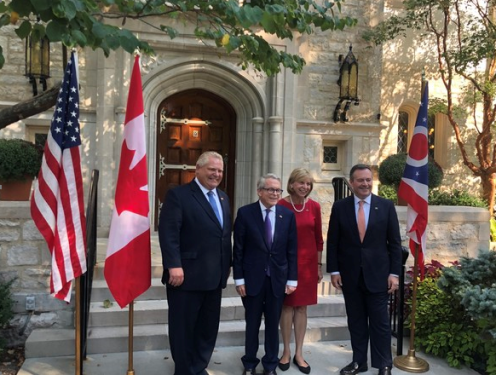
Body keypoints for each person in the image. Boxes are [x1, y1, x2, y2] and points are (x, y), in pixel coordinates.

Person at [158, 151, 232, 375]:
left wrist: (227, 267)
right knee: (183, 329)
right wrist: (174, 264)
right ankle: (184, 370)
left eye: (219, 171)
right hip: (186, 276)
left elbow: (222, 236)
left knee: (207, 328)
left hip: (214, 276)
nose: (216, 174)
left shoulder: (223, 197)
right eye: (212, 169)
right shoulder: (178, 195)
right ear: (198, 169)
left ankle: (199, 366)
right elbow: (169, 232)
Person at [326, 164, 402, 375]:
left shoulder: (385, 206)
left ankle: (384, 364)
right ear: (352, 183)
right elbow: (333, 242)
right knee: (357, 322)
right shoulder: (340, 207)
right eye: (360, 180)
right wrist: (334, 271)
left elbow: (395, 244)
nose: (365, 184)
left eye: (368, 180)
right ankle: (359, 362)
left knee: (380, 323)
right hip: (350, 277)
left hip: (378, 276)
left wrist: (394, 274)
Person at [233, 173, 298, 375]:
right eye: (270, 189)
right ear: (259, 191)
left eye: (278, 190)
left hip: (277, 279)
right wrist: (239, 278)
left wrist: (292, 278)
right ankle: (250, 363)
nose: (275, 193)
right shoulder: (245, 213)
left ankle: (270, 364)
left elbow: (292, 249)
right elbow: (239, 249)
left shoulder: (286, 215)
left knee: (272, 324)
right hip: (252, 279)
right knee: (252, 324)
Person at [277, 168, 324, 374]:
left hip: (308, 265)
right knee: (287, 307)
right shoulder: (280, 205)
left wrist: (319, 266)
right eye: (301, 183)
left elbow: (318, 239)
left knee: (302, 309)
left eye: (308, 184)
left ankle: (299, 353)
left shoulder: (314, 206)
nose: (305, 187)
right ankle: (286, 351)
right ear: (292, 184)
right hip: (286, 264)